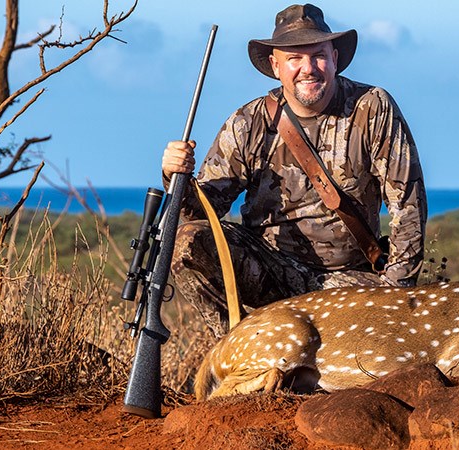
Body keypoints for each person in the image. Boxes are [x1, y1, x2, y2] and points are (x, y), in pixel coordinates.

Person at [162, 3, 427, 338]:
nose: (308, 68)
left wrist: (397, 294)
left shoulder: (372, 107)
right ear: (275, 66)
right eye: (294, 58)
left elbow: (408, 204)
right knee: (185, 242)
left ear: (334, 57)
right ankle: (233, 348)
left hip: (350, 280)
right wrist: (177, 177)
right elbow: (201, 212)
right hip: (268, 272)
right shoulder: (249, 122)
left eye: (317, 55)